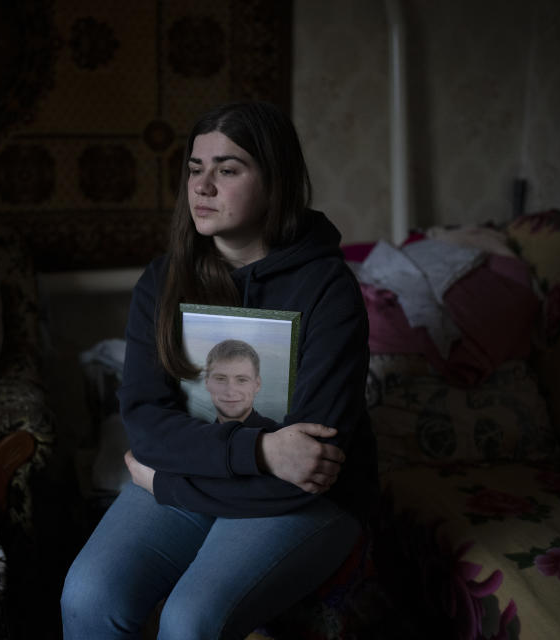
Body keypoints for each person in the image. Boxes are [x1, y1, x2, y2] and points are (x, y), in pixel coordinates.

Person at [60, 101, 378, 640]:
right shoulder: (162, 280)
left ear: (274, 182)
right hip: (226, 474)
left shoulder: (329, 289)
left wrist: (164, 484)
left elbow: (308, 474)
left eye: (227, 169)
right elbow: (146, 424)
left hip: (299, 501)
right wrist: (260, 452)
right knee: (87, 595)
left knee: (190, 621)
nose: (202, 187)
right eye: (194, 168)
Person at [203, 339, 270, 426]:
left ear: (257, 385)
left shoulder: (278, 436)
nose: (230, 392)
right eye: (220, 379)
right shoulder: (197, 436)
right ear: (207, 383)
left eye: (241, 380)